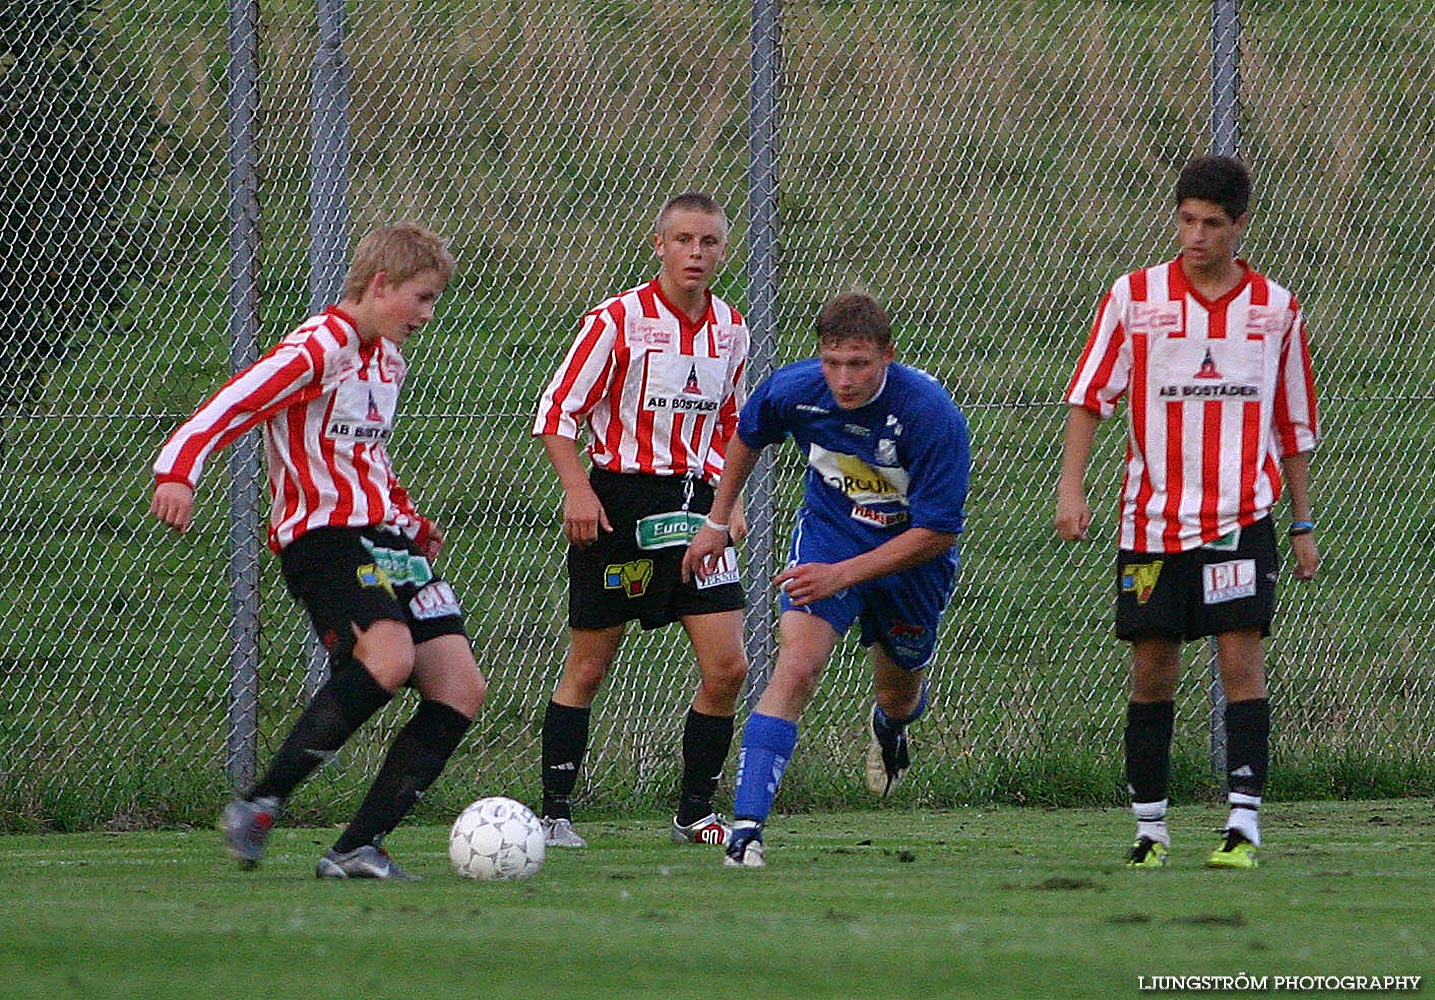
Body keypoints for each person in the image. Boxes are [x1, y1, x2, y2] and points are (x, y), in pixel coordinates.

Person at [151, 222, 485, 880]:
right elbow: (233, 402)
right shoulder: (320, 345)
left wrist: (408, 515)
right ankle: (260, 803)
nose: (427, 313)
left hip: (383, 535)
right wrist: (178, 471)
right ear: (380, 285)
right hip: (323, 537)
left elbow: (363, 450)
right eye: (420, 298)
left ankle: (357, 847)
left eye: (434, 300)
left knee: (460, 688)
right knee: (387, 657)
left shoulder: (386, 357)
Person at [1054, 155, 1320, 871]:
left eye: (1211, 223)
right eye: (1186, 220)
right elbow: (1089, 398)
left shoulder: (1274, 309)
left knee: (1240, 660)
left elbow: (1291, 426)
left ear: (1239, 226)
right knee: (1152, 670)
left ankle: (1242, 826)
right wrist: (1070, 490)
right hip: (1151, 524)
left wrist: (1300, 524)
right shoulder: (1133, 298)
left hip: (1239, 520)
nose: (1195, 235)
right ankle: (1149, 828)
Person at [683, 292, 970, 869]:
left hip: (911, 559)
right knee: (796, 667)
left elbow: (937, 532)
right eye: (832, 362)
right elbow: (747, 435)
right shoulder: (796, 390)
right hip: (829, 542)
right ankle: (746, 831)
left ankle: (889, 728)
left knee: (900, 692)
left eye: (859, 364)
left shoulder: (931, 412)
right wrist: (717, 520)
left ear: (888, 356)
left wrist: (845, 574)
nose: (843, 378)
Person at [531, 193, 750, 849]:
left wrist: (730, 500)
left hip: (697, 510)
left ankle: (693, 814)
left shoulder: (731, 329)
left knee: (728, 668)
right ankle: (555, 812)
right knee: (590, 665)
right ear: (659, 245)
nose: (696, 253)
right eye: (683, 240)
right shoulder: (615, 321)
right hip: (620, 505)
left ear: (721, 250)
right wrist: (577, 488)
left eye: (708, 242)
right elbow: (555, 413)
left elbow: (734, 423)